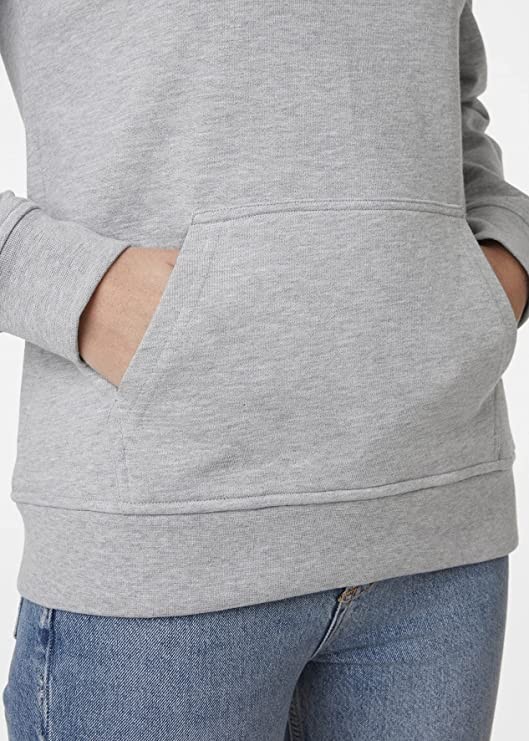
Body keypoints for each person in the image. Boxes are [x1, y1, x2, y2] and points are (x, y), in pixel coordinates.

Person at [1, 2, 528, 739]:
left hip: (439, 535)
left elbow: (448, 110)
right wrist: (83, 290)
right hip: (162, 546)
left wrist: (501, 263)